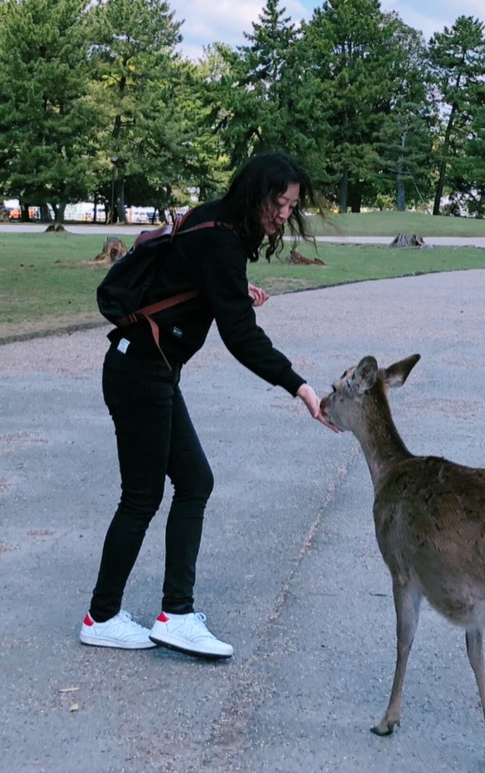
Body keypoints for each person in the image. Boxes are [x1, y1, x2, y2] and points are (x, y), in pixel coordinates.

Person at [82, 152, 333, 659]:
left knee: (195, 481)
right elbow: (240, 336)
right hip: (140, 372)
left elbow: (187, 271)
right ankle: (102, 616)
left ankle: (174, 613)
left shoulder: (213, 217)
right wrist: (299, 386)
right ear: (257, 194)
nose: (284, 215)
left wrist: (234, 288)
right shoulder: (222, 239)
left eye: (290, 206)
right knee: (142, 495)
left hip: (147, 368)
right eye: (280, 203)